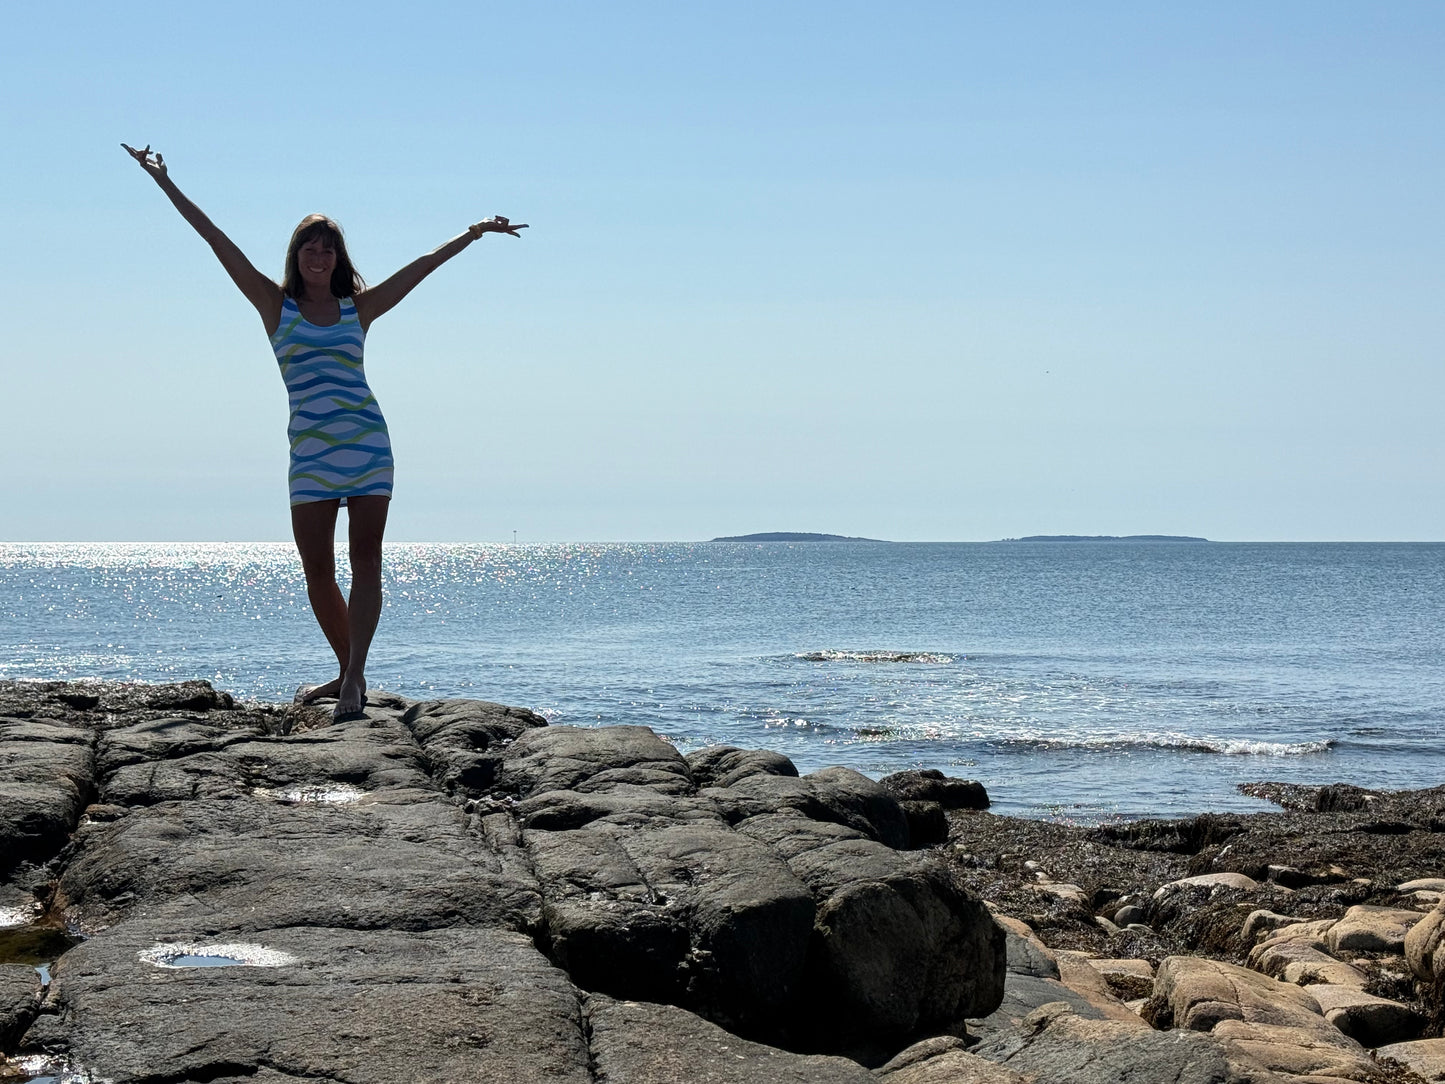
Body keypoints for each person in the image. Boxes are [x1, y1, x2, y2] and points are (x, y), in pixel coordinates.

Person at [122, 144, 526, 719]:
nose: (320, 252)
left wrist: (473, 233)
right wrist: (164, 181)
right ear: (297, 255)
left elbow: (421, 267)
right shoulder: (274, 305)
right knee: (317, 570)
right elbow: (216, 240)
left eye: (329, 246)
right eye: (311, 244)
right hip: (310, 453)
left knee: (366, 558)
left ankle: (355, 681)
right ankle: (347, 670)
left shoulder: (356, 310)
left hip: (366, 444)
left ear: (338, 259)